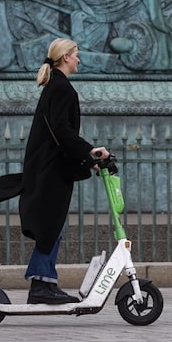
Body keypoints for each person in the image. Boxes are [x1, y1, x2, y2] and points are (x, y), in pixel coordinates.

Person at [19, 38, 110, 304]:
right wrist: (90, 151)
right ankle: (41, 286)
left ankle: (43, 282)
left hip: (49, 167)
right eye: (76, 55)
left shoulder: (55, 86)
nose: (79, 59)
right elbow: (62, 131)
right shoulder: (61, 88)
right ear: (66, 57)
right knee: (52, 226)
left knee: (52, 226)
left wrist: (87, 159)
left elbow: (59, 135)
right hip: (51, 170)